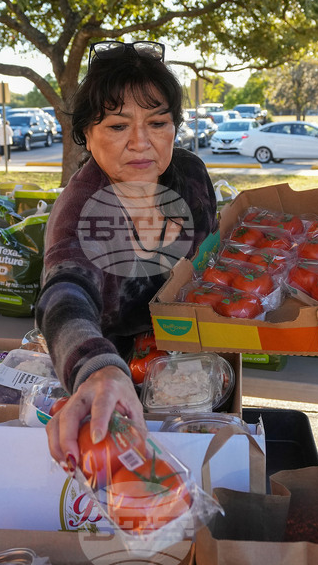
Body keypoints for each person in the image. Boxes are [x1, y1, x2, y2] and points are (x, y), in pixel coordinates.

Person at [38, 41, 217, 472]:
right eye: (118, 126)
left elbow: (212, 255)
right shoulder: (81, 212)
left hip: (195, 366)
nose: (141, 143)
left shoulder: (189, 174)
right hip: (121, 387)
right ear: (86, 133)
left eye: (158, 122)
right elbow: (64, 296)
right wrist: (97, 369)